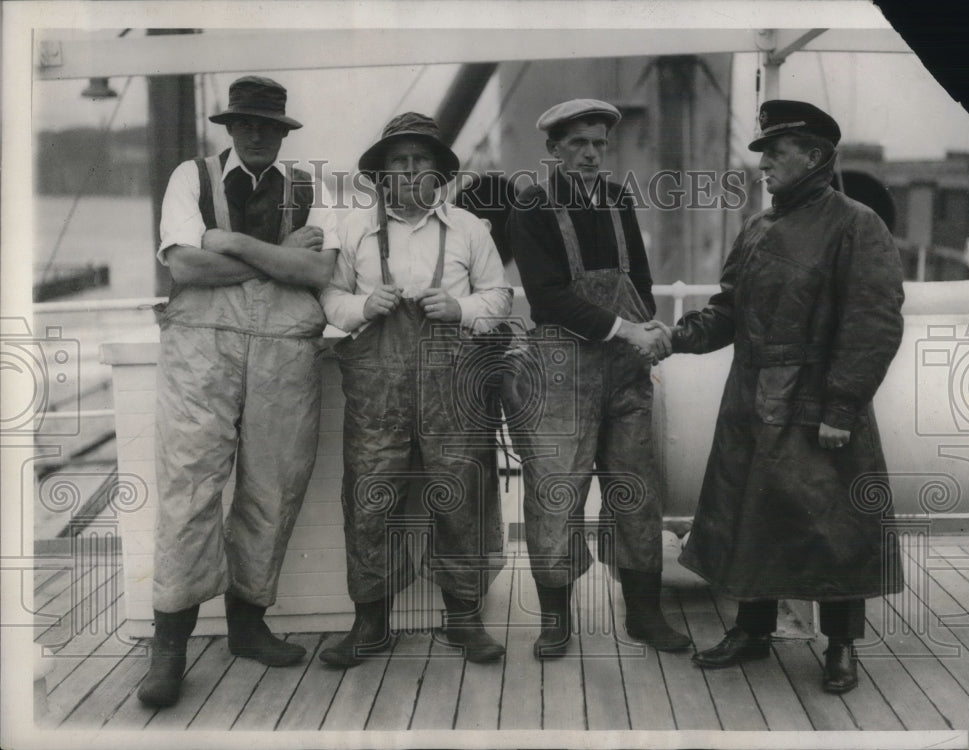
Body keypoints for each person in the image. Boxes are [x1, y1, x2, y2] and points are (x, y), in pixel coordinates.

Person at [667, 100, 905, 694]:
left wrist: (842, 408)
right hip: (751, 400)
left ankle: (842, 646)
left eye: (776, 151)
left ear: (816, 156)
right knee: (754, 515)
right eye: (763, 152)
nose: (763, 163)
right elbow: (729, 309)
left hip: (817, 403)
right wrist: (677, 336)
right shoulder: (758, 228)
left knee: (836, 527)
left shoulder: (857, 224)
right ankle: (752, 631)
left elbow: (872, 324)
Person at [139, 76, 338, 707]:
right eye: (244, 123)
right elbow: (184, 265)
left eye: (267, 125)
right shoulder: (189, 179)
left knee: (275, 484)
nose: (255, 133)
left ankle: (248, 627)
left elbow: (319, 271)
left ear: (283, 132)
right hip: (200, 353)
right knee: (188, 483)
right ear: (229, 128)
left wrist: (232, 244)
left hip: (285, 352)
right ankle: (169, 644)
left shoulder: (313, 187)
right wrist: (279, 254)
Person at [319, 113, 513, 667]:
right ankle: (370, 624)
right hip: (377, 394)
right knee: (369, 498)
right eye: (398, 161)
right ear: (382, 173)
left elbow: (500, 299)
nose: (409, 170)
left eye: (420, 160)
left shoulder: (471, 228)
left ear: (438, 172)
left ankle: (464, 620)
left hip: (454, 390)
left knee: (460, 496)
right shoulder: (353, 229)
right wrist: (362, 307)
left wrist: (461, 307)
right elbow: (329, 302)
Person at [502, 98, 690, 659]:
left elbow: (642, 278)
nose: (590, 153)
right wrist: (624, 330)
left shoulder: (616, 200)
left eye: (599, 144)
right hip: (561, 370)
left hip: (625, 372)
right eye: (578, 143)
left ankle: (644, 615)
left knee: (636, 491)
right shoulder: (531, 208)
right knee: (556, 492)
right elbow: (547, 297)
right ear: (553, 150)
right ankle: (556, 620)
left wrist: (648, 329)